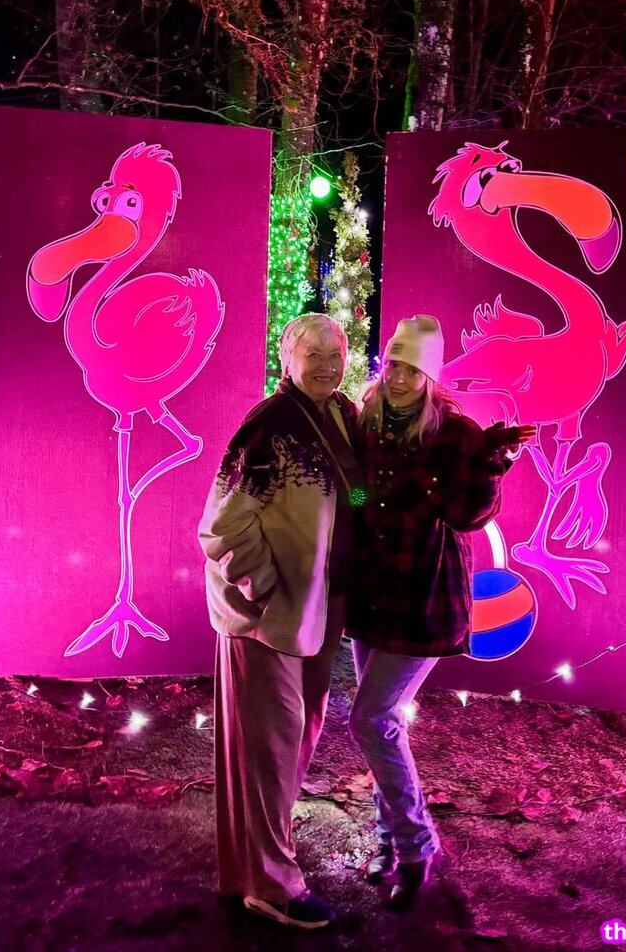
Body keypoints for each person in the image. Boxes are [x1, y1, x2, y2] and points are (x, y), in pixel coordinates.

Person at [347, 315, 536, 910]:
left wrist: (488, 466)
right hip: (373, 592)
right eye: (393, 365)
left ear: (430, 377)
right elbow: (357, 490)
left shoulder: (455, 433)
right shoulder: (366, 420)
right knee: (382, 725)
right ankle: (388, 841)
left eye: (412, 369)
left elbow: (467, 517)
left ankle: (414, 847)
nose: (399, 378)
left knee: (370, 720)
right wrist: (358, 505)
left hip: (425, 597)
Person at [198, 313, 362, 930]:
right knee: (271, 745)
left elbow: (357, 492)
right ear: (286, 358)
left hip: (323, 604)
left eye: (335, 353)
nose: (326, 365)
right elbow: (222, 527)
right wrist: (264, 590)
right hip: (269, 614)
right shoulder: (269, 427)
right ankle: (271, 886)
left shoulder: (341, 416)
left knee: (297, 736)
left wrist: (368, 515)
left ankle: (255, 860)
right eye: (312, 354)